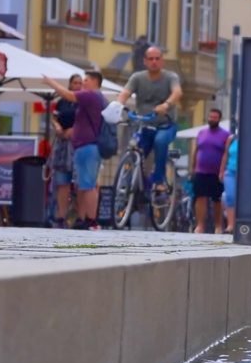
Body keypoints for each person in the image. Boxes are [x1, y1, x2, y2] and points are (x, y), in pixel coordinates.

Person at [45, 71, 108, 230]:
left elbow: (68, 94)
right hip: (83, 146)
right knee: (85, 183)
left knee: (87, 185)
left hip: (87, 146)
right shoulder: (97, 97)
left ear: (94, 81)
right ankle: (87, 220)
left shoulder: (91, 95)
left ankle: (91, 220)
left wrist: (50, 82)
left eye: (85, 80)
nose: (83, 83)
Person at [115, 45, 182, 191]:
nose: (154, 62)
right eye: (151, 59)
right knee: (135, 149)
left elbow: (177, 92)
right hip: (144, 124)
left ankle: (159, 181)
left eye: (157, 59)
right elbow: (125, 92)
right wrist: (118, 105)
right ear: (145, 61)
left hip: (166, 125)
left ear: (162, 61)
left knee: (160, 141)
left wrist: (166, 104)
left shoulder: (171, 77)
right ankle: (134, 185)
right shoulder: (137, 78)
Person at [48, 74, 81, 227]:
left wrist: (75, 129)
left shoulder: (83, 102)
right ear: (70, 84)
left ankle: (80, 217)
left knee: (80, 183)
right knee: (62, 181)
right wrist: (57, 126)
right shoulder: (62, 102)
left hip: (78, 144)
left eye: (80, 83)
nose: (78, 86)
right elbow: (54, 117)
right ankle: (61, 217)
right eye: (75, 83)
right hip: (62, 144)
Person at [190, 108, 230, 233]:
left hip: (216, 172)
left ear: (219, 119)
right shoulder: (201, 133)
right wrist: (193, 168)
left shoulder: (225, 134)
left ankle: (218, 225)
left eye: (215, 117)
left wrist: (223, 170)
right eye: (210, 117)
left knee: (216, 199)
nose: (212, 119)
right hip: (200, 170)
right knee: (200, 197)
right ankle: (200, 225)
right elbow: (196, 150)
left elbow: (226, 153)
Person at [218, 129, 240, 234]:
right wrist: (222, 170)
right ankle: (231, 225)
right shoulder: (232, 139)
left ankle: (241, 224)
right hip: (230, 171)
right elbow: (226, 155)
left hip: (246, 174)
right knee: (230, 196)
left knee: (242, 199)